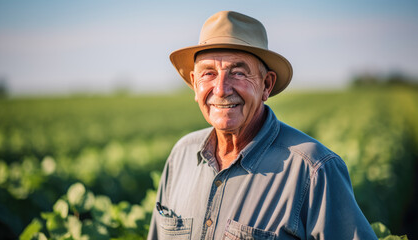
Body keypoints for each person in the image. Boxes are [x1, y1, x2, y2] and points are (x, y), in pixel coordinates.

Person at [148, 11, 377, 239]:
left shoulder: (314, 169)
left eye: (238, 73)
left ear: (266, 85)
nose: (220, 89)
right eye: (208, 73)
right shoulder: (181, 156)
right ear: (195, 85)